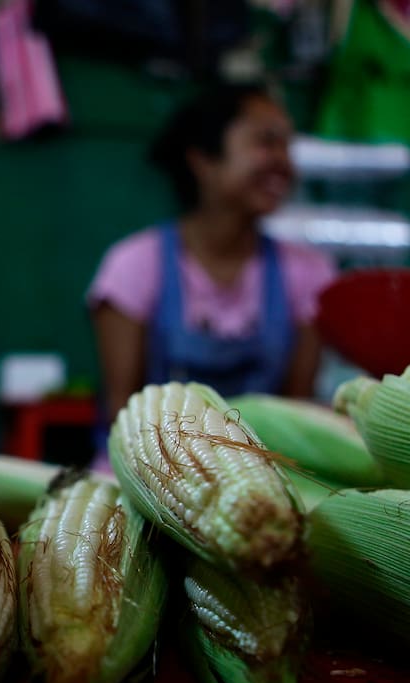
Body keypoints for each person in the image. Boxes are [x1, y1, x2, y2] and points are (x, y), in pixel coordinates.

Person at [88, 83, 336, 427]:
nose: (284, 162)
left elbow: (297, 415)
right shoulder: (134, 267)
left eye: (286, 146)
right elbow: (121, 412)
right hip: (150, 470)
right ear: (203, 161)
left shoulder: (309, 274)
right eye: (266, 142)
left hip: (263, 469)